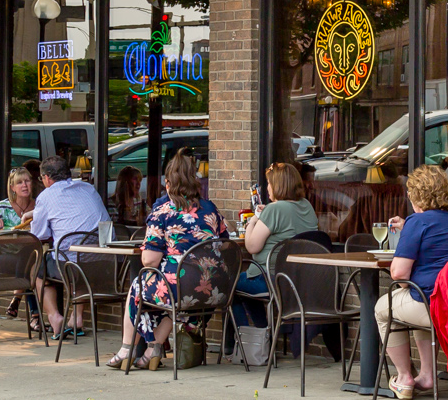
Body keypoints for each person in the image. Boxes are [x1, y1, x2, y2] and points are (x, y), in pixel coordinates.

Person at [110, 154, 227, 370]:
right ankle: (152, 350)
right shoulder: (211, 209)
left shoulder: (163, 212)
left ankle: (127, 349)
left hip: (182, 288)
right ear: (195, 180)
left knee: (139, 286)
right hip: (215, 289)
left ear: (168, 183)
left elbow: (150, 260)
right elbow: (224, 242)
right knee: (171, 295)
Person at [377, 164, 448, 400]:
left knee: (382, 308)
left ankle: (405, 378)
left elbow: (398, 273)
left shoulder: (417, 222)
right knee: (413, 301)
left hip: (434, 305)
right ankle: (428, 375)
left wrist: (410, 228)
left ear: (415, 195)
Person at [29, 153, 111, 339]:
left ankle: (55, 317)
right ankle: (77, 318)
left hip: (71, 265)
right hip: (105, 263)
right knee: (78, 257)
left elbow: (38, 235)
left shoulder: (46, 196)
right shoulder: (88, 189)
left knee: (36, 269)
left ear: (47, 178)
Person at [232, 163, 319, 335]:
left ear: (279, 185)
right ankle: (264, 335)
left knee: (230, 285)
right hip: (301, 279)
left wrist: (253, 222)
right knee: (244, 288)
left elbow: (251, 246)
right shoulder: (306, 206)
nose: (268, 188)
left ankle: (247, 341)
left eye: (270, 183)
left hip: (272, 279)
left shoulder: (275, 209)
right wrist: (268, 213)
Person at [0, 165, 38, 235]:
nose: (24, 185)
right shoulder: (2, 207)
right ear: (12, 188)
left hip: (31, 245)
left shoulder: (38, 206)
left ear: (31, 184)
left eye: (27, 181)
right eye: (19, 182)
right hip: (3, 245)